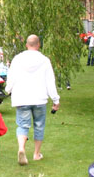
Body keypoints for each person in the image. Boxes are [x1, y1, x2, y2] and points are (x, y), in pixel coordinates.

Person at [5, 34, 60, 166]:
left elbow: (11, 76)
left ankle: (21, 148)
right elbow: (50, 81)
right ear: (38, 44)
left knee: (23, 125)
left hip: (22, 97)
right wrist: (55, 99)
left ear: (26, 45)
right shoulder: (45, 60)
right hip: (39, 98)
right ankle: (36, 154)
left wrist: (8, 89)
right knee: (39, 125)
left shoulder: (17, 59)